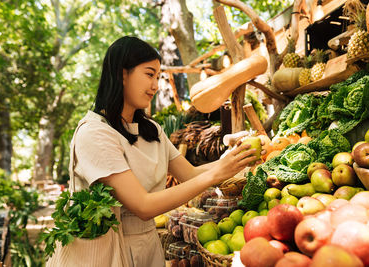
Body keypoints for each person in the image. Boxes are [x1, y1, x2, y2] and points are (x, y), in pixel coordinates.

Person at [70, 36, 257, 267]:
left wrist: (232, 159)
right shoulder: (95, 134)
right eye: (149, 74)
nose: (155, 86)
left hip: (148, 248)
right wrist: (216, 174)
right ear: (122, 74)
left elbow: (189, 174)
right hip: (106, 252)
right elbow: (143, 206)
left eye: (158, 77)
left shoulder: (152, 131)